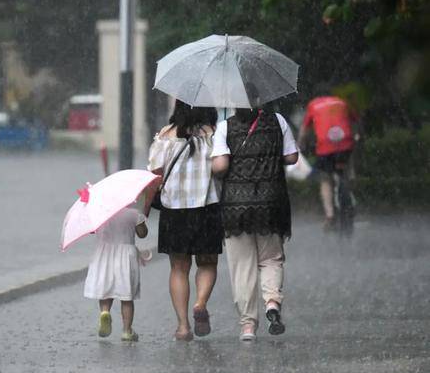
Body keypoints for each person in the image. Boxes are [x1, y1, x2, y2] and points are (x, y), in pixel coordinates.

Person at [211, 104, 298, 341]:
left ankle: (248, 325)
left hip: (236, 206)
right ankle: (272, 302)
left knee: (242, 267)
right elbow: (292, 156)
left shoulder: (224, 127)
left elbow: (221, 166)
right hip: (271, 202)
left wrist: (212, 166)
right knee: (271, 259)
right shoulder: (277, 120)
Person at [148, 100, 223, 341]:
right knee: (207, 263)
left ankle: (182, 326)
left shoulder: (165, 135)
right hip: (207, 207)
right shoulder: (213, 134)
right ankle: (200, 303)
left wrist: (144, 210)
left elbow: (153, 174)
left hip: (174, 211)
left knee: (178, 268)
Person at [83, 207, 148, 342]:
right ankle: (127, 330)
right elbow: (143, 234)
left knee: (106, 290)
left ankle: (105, 312)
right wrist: (142, 220)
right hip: (125, 256)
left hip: (104, 255)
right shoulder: (133, 213)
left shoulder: (100, 213)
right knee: (126, 297)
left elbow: (91, 230)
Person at [298, 94, 357, 230]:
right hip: (345, 143)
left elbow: (304, 130)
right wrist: (356, 137)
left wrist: (300, 145)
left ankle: (330, 214)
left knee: (324, 178)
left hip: (325, 146)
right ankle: (351, 181)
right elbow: (355, 122)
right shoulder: (342, 102)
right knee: (349, 155)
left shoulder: (313, 105)